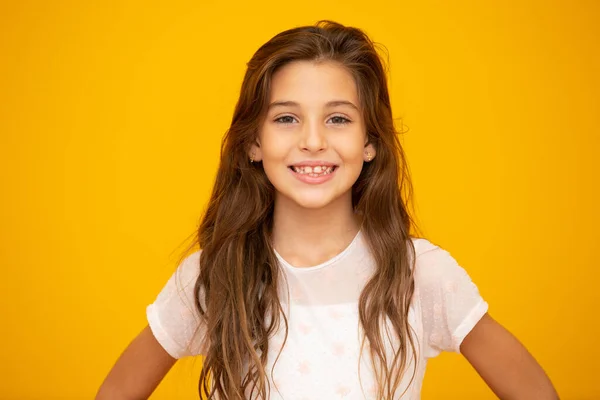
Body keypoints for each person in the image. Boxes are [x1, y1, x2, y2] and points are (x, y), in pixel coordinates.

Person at [96, 20, 559, 400]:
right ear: (254, 143)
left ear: (371, 141)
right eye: (286, 118)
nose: (313, 141)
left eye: (338, 118)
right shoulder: (213, 275)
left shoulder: (420, 274)